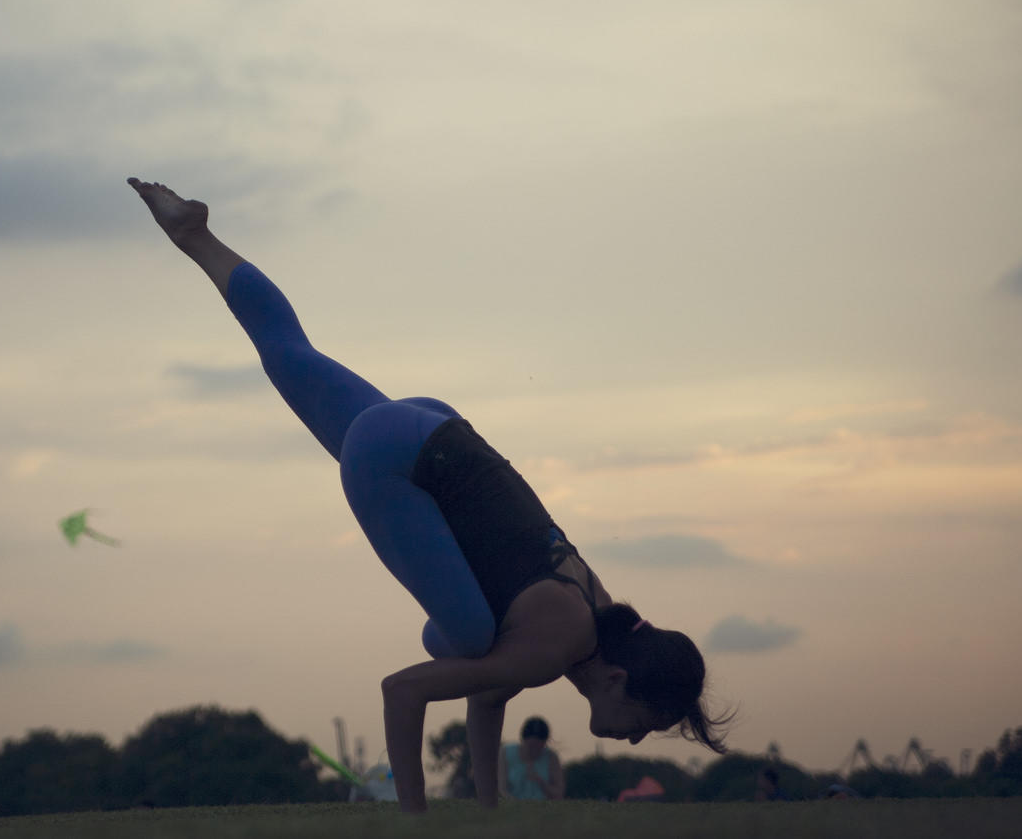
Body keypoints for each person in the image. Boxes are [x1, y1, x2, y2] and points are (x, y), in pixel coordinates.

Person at [127, 179, 729, 813]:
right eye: (646, 720)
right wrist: (415, 819)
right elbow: (403, 691)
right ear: (617, 678)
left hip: (435, 428)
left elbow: (489, 697)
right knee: (466, 640)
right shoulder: (555, 647)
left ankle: (194, 235)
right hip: (397, 461)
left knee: (287, 352)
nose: (637, 738)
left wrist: (488, 809)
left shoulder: (592, 610)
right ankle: (415, 814)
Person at [499, 716, 564, 800]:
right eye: (531, 746)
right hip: (513, 804)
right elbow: (502, 789)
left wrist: (540, 781)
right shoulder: (505, 753)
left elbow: (559, 793)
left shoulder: (551, 757)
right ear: (523, 740)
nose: (534, 750)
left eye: (539, 747)